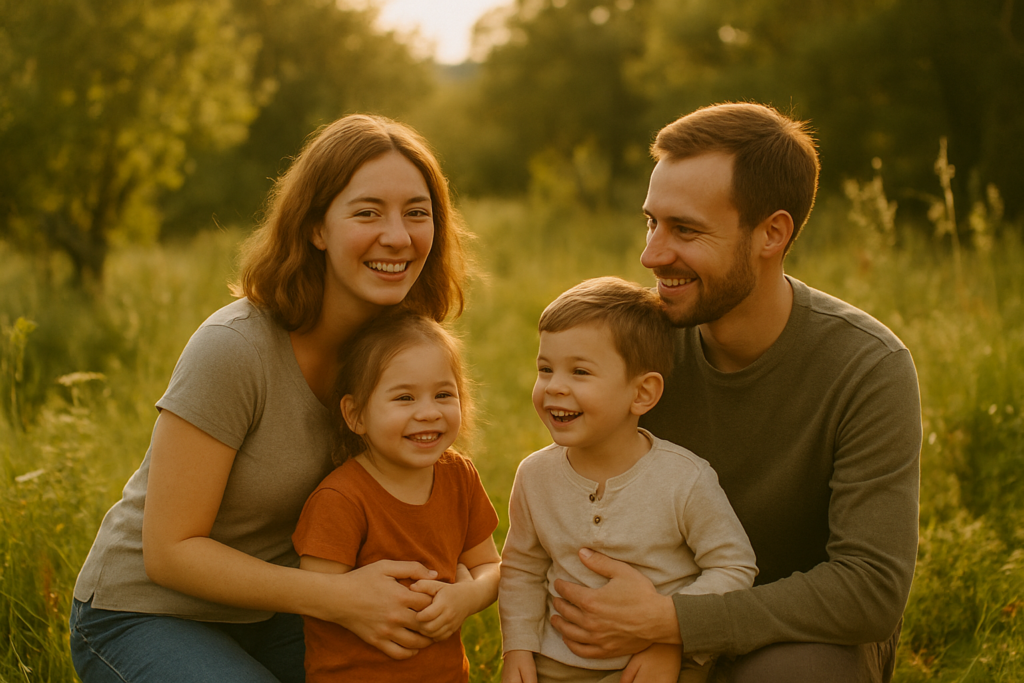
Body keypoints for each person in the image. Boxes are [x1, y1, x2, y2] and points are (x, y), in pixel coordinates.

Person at [68, 114, 471, 682]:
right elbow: (169, 550)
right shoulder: (235, 348)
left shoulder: (397, 353)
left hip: (278, 610)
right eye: (366, 212)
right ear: (315, 228)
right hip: (145, 612)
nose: (398, 236)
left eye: (417, 212)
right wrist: (339, 600)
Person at [546, 103, 922, 682]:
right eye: (652, 222)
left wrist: (676, 624)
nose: (651, 255)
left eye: (686, 230)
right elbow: (577, 505)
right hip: (644, 625)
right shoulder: (642, 351)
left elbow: (869, 590)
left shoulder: (868, 368)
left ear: (772, 233)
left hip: (798, 642)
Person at [499, 276, 758, 683]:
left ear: (641, 394)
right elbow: (522, 567)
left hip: (659, 666)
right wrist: (517, 647)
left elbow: (734, 566)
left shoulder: (683, 480)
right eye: (545, 369)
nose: (554, 388)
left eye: (580, 371)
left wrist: (671, 637)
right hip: (556, 665)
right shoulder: (535, 476)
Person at [292, 310, 501, 682]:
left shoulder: (459, 477)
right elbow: (319, 601)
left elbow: (490, 566)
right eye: (404, 398)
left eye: (443, 394)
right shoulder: (340, 499)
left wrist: (466, 598)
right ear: (356, 415)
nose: (428, 412)